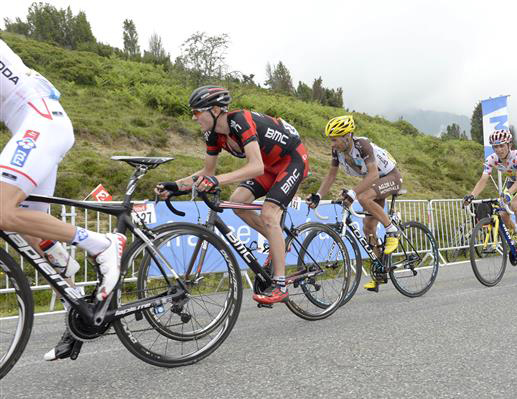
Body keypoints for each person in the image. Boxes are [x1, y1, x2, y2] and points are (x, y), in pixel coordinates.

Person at [0, 39, 126, 361]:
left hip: (41, 123)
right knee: (29, 230)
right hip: (35, 125)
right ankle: (78, 308)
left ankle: (102, 244)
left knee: (2, 210)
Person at [155, 86, 309, 305]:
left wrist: (218, 180)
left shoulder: (240, 121)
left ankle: (281, 284)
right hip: (268, 166)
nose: (194, 117)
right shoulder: (212, 135)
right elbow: (207, 173)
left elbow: (255, 166)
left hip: (291, 160)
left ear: (216, 109)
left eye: (198, 112)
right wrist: (177, 186)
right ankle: (278, 242)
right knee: (237, 203)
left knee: (269, 212)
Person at [305, 115, 403, 291]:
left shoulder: (362, 145)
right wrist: (318, 195)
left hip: (390, 177)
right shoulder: (338, 152)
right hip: (375, 182)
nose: (332, 144)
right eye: (330, 140)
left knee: (364, 198)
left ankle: (392, 231)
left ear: (347, 136)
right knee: (369, 228)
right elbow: (331, 175)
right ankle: (380, 273)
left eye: (334, 140)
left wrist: (353, 192)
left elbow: (373, 174)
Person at [463, 129, 517, 254]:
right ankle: (516, 235)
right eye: (495, 146)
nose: (498, 149)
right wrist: (471, 196)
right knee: (503, 214)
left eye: (501, 145)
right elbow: (483, 179)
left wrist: (509, 193)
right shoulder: (492, 159)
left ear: (509, 145)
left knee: (515, 204)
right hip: (512, 181)